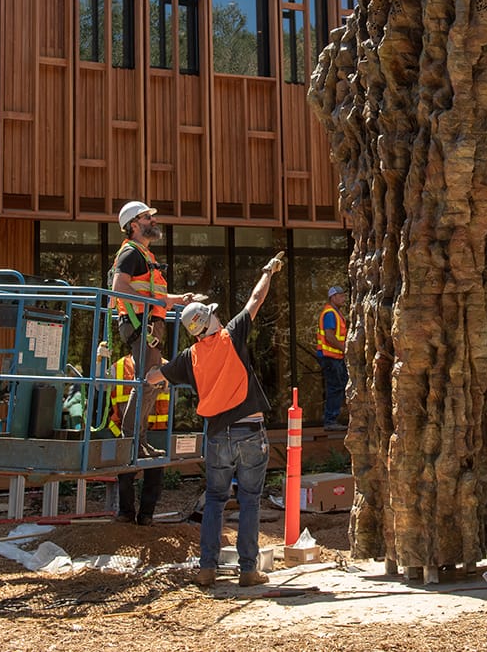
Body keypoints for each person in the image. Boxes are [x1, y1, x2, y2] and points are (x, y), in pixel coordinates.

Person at [148, 253, 284, 588]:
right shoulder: (232, 336)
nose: (218, 316)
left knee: (215, 500)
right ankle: (248, 570)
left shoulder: (188, 358)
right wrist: (268, 269)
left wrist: (147, 359)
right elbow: (256, 298)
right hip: (251, 431)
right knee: (250, 499)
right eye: (213, 315)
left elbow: (154, 377)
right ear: (210, 323)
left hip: (217, 436)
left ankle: (206, 568)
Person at [107, 199, 194, 524]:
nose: (152, 221)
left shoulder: (144, 256)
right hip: (139, 323)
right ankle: (135, 441)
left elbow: (153, 294)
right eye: (146, 217)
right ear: (133, 224)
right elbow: (120, 288)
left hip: (149, 322)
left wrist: (180, 300)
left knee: (154, 378)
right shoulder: (130, 252)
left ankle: (137, 441)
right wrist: (152, 305)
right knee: (150, 378)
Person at [315, 286, 349, 431]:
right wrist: (345, 349)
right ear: (333, 297)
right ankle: (330, 420)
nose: (343, 298)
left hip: (335, 357)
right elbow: (329, 336)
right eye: (340, 296)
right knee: (335, 387)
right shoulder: (330, 313)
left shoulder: (336, 313)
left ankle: (333, 419)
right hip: (331, 357)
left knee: (339, 386)